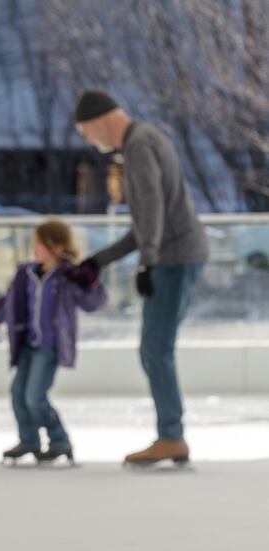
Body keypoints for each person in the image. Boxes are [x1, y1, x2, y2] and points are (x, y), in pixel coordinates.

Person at [72, 89, 209, 467]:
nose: (89, 139)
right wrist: (100, 260)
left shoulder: (139, 146)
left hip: (174, 257)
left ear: (100, 120)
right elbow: (146, 221)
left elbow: (151, 212)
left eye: (86, 131)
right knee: (154, 348)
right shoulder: (143, 140)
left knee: (155, 349)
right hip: (174, 254)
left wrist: (148, 263)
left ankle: (171, 436)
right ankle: (170, 434)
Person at [0, 219, 108, 465]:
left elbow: (92, 304)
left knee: (35, 396)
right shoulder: (26, 274)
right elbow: (9, 302)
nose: (35, 249)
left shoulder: (67, 276)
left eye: (39, 244)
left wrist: (91, 282)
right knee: (18, 393)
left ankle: (60, 440)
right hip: (27, 344)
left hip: (49, 346)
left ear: (56, 245)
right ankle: (29, 440)